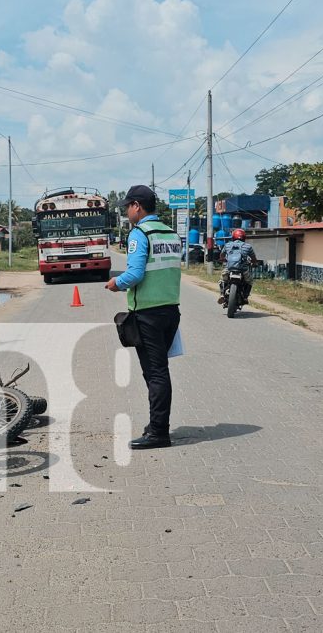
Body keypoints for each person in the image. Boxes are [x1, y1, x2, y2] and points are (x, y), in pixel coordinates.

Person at [105, 185, 182, 450]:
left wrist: (117, 282)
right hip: (171, 310)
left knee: (156, 373)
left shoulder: (140, 234)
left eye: (127, 206)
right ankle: (156, 424)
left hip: (148, 314)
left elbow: (135, 274)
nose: (126, 212)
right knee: (156, 372)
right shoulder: (171, 234)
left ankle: (159, 432)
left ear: (137, 206)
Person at [217, 228, 257, 306]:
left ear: (233, 237)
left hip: (229, 268)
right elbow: (253, 258)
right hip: (243, 270)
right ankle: (245, 297)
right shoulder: (248, 246)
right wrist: (254, 263)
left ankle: (222, 294)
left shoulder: (228, 245)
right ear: (244, 238)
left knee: (222, 279)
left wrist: (223, 259)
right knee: (250, 281)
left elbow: (222, 255)